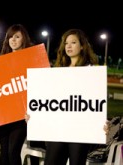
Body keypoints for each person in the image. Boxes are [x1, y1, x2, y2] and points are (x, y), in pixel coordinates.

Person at [43, 29, 100, 165]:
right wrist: (35, 115)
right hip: (58, 129)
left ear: (82, 46)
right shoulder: (58, 71)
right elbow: (48, 100)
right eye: (66, 43)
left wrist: (101, 122)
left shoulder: (91, 71)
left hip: (80, 131)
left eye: (73, 42)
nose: (68, 46)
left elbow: (96, 102)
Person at [0, 24, 45, 165]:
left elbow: (40, 87)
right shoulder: (1, 61)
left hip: (22, 115)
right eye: (10, 37)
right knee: (4, 152)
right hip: (3, 114)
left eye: (17, 37)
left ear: (24, 39)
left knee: (13, 152)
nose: (13, 40)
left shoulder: (33, 60)